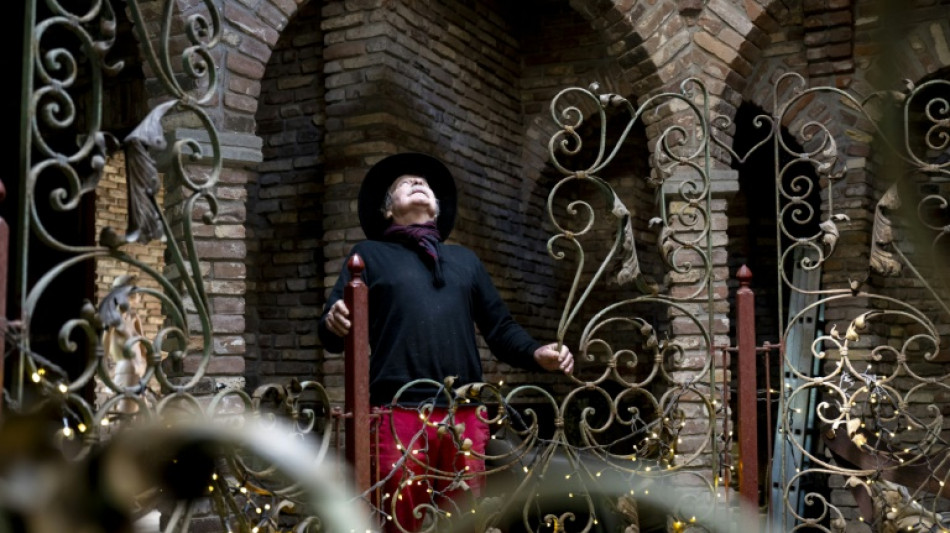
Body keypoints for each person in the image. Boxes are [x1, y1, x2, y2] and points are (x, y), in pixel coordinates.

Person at [317, 152, 573, 531]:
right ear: (388, 210)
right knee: (399, 521)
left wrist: (537, 352)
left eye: (424, 183)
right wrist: (335, 320)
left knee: (464, 522)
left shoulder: (464, 261)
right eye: (404, 184)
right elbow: (331, 329)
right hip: (396, 413)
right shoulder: (368, 255)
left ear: (436, 208)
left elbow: (500, 329)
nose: (418, 183)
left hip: (464, 415)